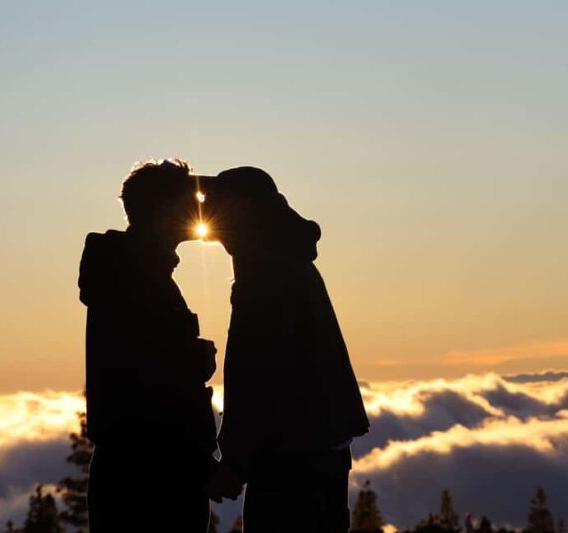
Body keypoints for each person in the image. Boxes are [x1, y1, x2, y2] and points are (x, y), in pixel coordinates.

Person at [202, 167, 370, 533]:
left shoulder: (265, 276)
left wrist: (235, 463)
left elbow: (261, 375)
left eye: (217, 207)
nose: (210, 220)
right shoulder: (287, 260)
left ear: (243, 210)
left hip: (290, 461)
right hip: (321, 449)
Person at [78, 159, 217, 532]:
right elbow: (157, 389)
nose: (199, 209)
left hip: (129, 471)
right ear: (163, 210)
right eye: (188, 200)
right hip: (157, 477)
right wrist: (197, 360)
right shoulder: (141, 281)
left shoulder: (128, 272)